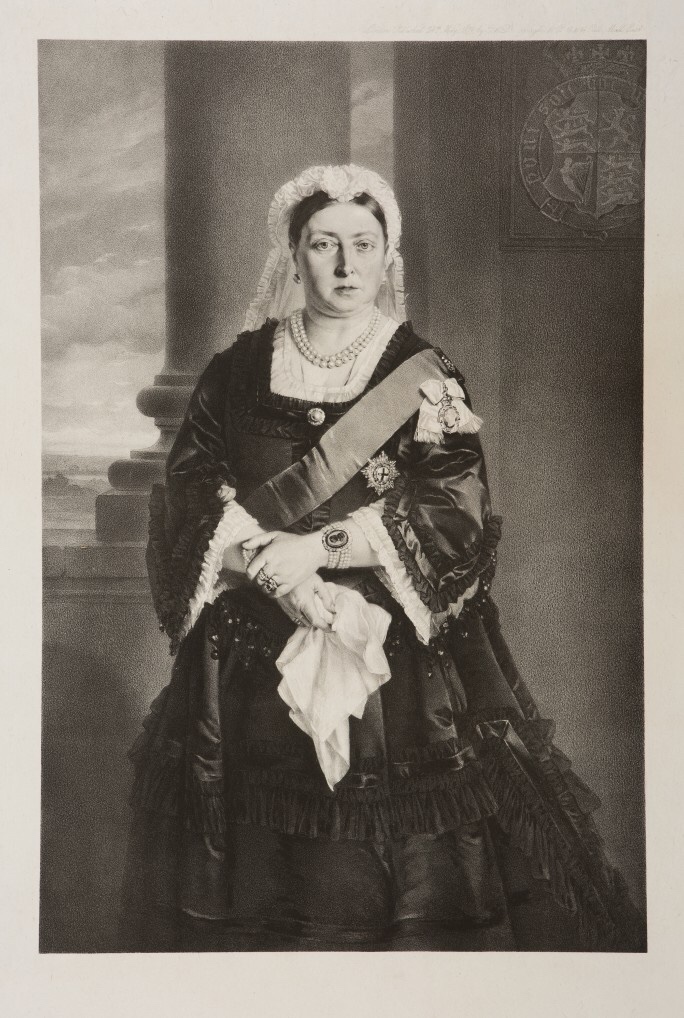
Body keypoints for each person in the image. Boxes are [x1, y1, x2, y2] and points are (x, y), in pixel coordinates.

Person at [119, 163, 645, 952]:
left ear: (386, 254)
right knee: (256, 892)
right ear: (293, 254)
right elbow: (191, 492)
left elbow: (453, 510)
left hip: (397, 674)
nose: (345, 265)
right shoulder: (234, 371)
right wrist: (275, 572)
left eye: (363, 244)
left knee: (391, 886)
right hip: (245, 668)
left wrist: (319, 550)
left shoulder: (427, 377)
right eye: (324, 243)